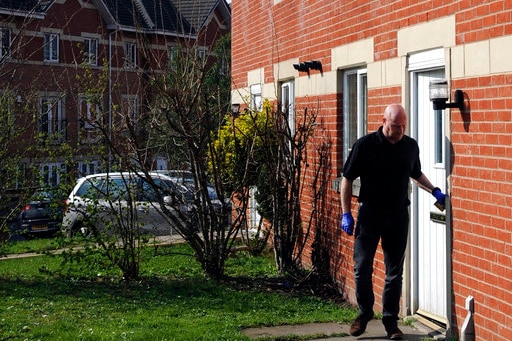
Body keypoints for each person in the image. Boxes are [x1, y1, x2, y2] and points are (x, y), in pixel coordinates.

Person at [340, 104, 446, 340]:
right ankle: (364, 312)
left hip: (398, 215)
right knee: (362, 267)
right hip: (369, 214)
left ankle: (391, 322)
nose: (400, 130)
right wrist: (346, 213)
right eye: (396, 126)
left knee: (394, 272)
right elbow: (346, 178)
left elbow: (415, 174)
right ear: (384, 121)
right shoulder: (365, 145)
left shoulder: (410, 146)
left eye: (403, 126)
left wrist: (434, 190)